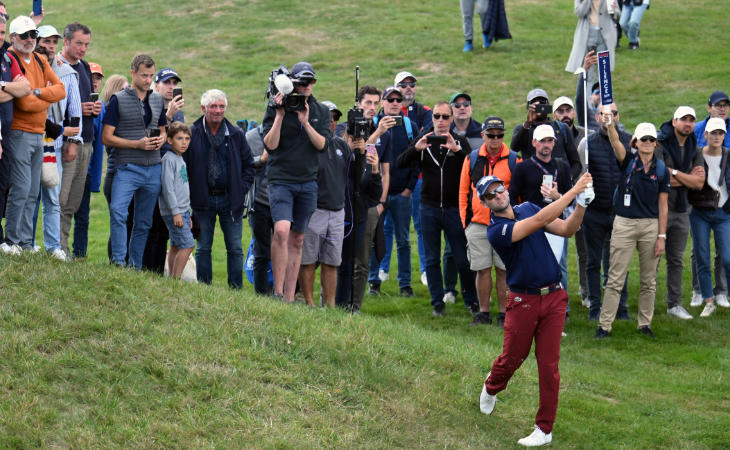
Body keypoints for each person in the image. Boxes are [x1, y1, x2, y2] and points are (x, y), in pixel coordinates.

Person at [478, 171, 593, 448]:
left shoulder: (527, 207)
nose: (498, 195)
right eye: (490, 195)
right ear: (486, 203)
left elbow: (567, 230)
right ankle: (492, 385)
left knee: (549, 366)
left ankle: (544, 429)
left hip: (554, 297)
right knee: (513, 357)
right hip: (522, 301)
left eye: (499, 189)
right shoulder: (496, 231)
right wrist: (574, 190)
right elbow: (540, 221)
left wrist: (581, 205)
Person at [397, 101, 477, 318]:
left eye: (445, 117)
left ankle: (472, 301)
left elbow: (474, 169)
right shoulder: (424, 139)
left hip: (453, 208)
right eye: (437, 116)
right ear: (432, 118)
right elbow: (400, 162)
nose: (441, 121)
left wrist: (457, 151)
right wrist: (416, 149)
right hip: (429, 208)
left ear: (451, 119)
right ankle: (437, 303)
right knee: (431, 259)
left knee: (462, 257)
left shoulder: (459, 141)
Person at [262, 62, 330, 302]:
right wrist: (280, 115)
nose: (307, 87)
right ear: (293, 83)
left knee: (298, 238)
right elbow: (270, 145)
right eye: (302, 82)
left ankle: (290, 296)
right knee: (281, 230)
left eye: (311, 82)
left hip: (307, 181)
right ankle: (278, 291)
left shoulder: (320, 110)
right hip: (281, 178)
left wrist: (305, 122)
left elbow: (322, 144)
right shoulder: (277, 104)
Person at [595, 120, 669, 339]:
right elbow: (616, 141)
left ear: (656, 144)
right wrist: (610, 126)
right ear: (635, 142)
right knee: (615, 277)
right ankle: (604, 326)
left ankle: (644, 324)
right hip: (624, 224)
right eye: (643, 139)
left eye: (651, 139)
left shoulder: (662, 169)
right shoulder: (627, 160)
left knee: (649, 280)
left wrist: (662, 236)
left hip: (650, 226)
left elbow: (663, 206)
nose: (647, 143)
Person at [0, 16, 64, 255]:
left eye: (33, 35)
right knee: (21, 187)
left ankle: (26, 242)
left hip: (39, 134)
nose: (30, 40)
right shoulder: (12, 58)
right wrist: (43, 98)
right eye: (24, 35)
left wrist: (37, 92)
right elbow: (25, 105)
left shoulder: (39, 59)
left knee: (32, 191)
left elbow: (61, 90)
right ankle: (13, 240)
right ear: (13, 38)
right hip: (19, 132)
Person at [184, 89, 255, 288]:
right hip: (202, 200)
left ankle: (235, 290)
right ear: (203, 108)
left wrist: (240, 189)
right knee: (203, 247)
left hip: (230, 200)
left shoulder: (236, 134)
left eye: (221, 106)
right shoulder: (192, 133)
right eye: (213, 106)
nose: (218, 110)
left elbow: (249, 166)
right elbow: (184, 167)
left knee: (234, 248)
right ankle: (204, 289)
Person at [102, 54, 167, 268]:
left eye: (151, 76)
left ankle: (135, 265)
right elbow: (106, 137)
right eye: (143, 76)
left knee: (144, 222)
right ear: (133, 74)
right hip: (127, 166)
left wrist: (161, 139)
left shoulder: (157, 99)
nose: (148, 80)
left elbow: (164, 129)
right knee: (118, 212)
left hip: (153, 167)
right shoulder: (118, 100)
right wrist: (136, 144)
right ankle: (119, 261)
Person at [459, 116, 517, 326]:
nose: (495, 139)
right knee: (482, 269)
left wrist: (515, 221)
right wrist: (466, 223)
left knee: (504, 270)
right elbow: (463, 191)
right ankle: (484, 312)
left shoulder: (513, 159)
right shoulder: (472, 158)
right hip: (478, 223)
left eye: (499, 135)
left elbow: (517, 194)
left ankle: (504, 313)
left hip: (505, 224)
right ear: (482, 135)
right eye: (491, 135)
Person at [30, 24, 82, 260]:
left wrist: (73, 140)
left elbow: (75, 110)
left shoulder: (67, 73)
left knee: (52, 196)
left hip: (55, 143)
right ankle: (26, 242)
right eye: (45, 41)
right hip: (30, 137)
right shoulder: (26, 68)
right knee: (29, 194)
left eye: (53, 42)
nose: (49, 46)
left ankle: (53, 246)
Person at [580, 103, 631, 320]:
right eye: (602, 114)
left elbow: (628, 166)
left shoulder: (627, 140)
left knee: (619, 262)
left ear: (618, 116)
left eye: (612, 114)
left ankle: (620, 307)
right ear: (596, 116)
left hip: (620, 211)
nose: (607, 118)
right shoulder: (588, 143)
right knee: (593, 261)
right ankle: (595, 307)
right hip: (595, 211)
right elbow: (579, 170)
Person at [509, 124, 573, 297]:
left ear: (554, 143)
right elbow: (512, 197)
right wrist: (520, 219)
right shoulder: (523, 167)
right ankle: (531, 301)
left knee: (558, 265)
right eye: (542, 141)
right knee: (531, 263)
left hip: (556, 222)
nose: (546, 144)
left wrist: (557, 196)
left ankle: (560, 306)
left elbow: (571, 197)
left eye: (550, 140)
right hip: (531, 223)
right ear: (534, 143)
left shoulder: (562, 166)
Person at [299, 101, 352, 308]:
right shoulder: (308, 144)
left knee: (332, 261)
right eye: (328, 116)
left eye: (335, 117)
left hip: (337, 211)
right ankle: (310, 304)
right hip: (314, 210)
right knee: (309, 260)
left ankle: (328, 305)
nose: (331, 120)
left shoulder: (341, 146)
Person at [368, 86, 418, 298]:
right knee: (373, 237)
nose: (395, 103)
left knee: (404, 240)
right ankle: (373, 281)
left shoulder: (409, 126)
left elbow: (417, 158)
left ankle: (405, 284)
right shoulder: (372, 125)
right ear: (383, 103)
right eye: (391, 99)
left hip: (401, 193)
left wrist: (409, 189)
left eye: (398, 99)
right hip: (376, 193)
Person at [656, 106, 704, 320]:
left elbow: (699, 183)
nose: (688, 123)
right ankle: (646, 303)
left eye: (691, 120)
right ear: (674, 121)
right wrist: (686, 177)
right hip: (658, 210)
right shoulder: (660, 144)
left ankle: (674, 304)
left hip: (683, 210)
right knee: (653, 258)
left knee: (676, 260)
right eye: (683, 119)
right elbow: (659, 176)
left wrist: (674, 173)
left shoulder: (696, 148)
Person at [57, 22, 99, 259]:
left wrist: (94, 108)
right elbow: (55, 107)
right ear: (66, 41)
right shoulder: (57, 65)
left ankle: (64, 247)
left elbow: (82, 104)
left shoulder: (83, 66)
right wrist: (79, 110)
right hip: (68, 140)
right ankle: (58, 247)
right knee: (62, 198)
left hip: (87, 142)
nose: (83, 49)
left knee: (73, 200)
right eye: (79, 43)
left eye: (86, 44)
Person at [690, 91, 730, 305]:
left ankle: (722, 291)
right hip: (700, 206)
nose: (722, 108)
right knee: (700, 253)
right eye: (718, 105)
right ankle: (701, 292)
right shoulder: (696, 133)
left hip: (724, 208)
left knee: (725, 255)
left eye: (726, 105)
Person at [0, 14, 29, 244]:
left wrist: (3, 86)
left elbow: (26, 88)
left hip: (7, 132)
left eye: (2, 33)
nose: (0, 38)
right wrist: (12, 89)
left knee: (3, 184)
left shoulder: (8, 59)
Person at [71, 61, 104, 260]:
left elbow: (99, 149)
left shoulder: (102, 109)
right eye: (91, 76)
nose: (94, 81)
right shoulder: (75, 103)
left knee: (83, 216)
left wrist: (95, 180)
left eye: (98, 77)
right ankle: (59, 249)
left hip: (88, 169)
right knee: (64, 208)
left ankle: (80, 255)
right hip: (71, 162)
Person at [511, 88, 581, 179]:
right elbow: (514, 148)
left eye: (542, 102)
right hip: (533, 185)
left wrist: (567, 180)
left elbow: (576, 162)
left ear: (548, 105)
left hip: (560, 185)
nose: (539, 106)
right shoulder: (523, 129)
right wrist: (528, 123)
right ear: (528, 107)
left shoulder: (561, 128)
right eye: (534, 104)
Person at [159, 122, 194, 280]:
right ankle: (175, 279)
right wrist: (176, 213)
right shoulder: (169, 159)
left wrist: (188, 214)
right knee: (188, 245)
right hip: (175, 211)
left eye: (187, 138)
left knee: (175, 245)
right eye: (179, 138)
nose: (184, 142)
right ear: (169, 140)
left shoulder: (180, 158)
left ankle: (171, 279)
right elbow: (168, 188)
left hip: (183, 211)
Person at [566, 0, 618, 87]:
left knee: (604, 74)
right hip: (587, 36)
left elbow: (617, 14)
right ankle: (587, 99)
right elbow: (579, 13)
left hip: (605, 36)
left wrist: (614, 10)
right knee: (587, 73)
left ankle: (602, 99)